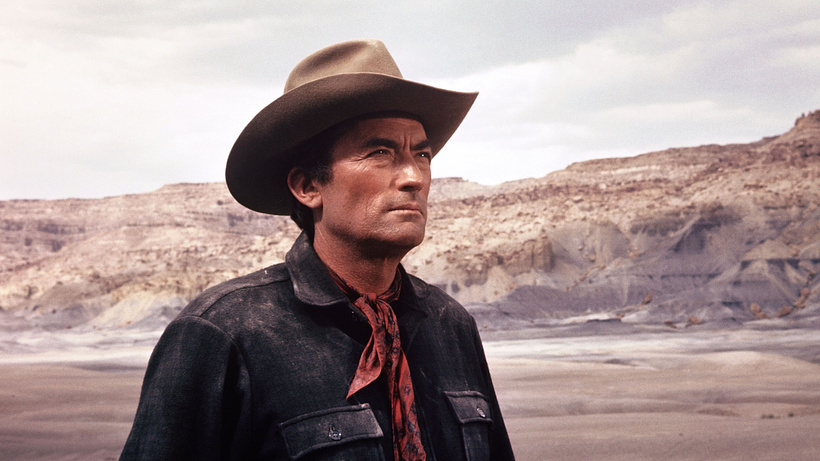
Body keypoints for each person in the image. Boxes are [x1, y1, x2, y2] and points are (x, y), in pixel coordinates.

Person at [120, 39, 515, 461]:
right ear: (308, 187)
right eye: (380, 152)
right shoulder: (225, 333)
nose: (413, 177)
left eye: (422, 154)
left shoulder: (451, 325)